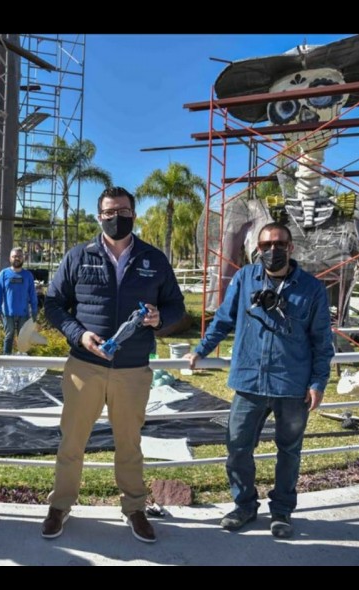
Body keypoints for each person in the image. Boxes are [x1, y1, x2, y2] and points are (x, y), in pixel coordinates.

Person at [42, 186, 186, 543]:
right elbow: (54, 304)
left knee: (129, 444)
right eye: (108, 212)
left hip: (133, 369)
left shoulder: (153, 259)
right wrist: (79, 335)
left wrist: (159, 318)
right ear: (99, 216)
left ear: (133, 214)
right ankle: (60, 505)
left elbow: (177, 307)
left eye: (122, 211)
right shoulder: (79, 256)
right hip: (84, 367)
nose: (115, 217)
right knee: (72, 442)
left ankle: (134, 507)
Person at [185, 222, 334, 539]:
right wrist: (200, 350)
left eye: (279, 244)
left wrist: (318, 382)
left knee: (289, 451)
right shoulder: (244, 278)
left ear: (291, 247)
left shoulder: (312, 289)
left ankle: (281, 511)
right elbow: (223, 319)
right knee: (237, 446)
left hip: (292, 385)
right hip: (249, 381)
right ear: (258, 249)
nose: (272, 250)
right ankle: (244, 505)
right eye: (266, 245)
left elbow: (322, 341)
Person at [0, 247, 38, 354]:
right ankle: (7, 358)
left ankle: (22, 359)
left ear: (23, 258)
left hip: (23, 313)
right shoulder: (3, 274)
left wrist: (34, 310)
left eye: (19, 256)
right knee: (9, 336)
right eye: (14, 256)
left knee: (23, 338)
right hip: (7, 313)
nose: (17, 258)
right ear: (10, 258)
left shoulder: (28, 275)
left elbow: (33, 294)